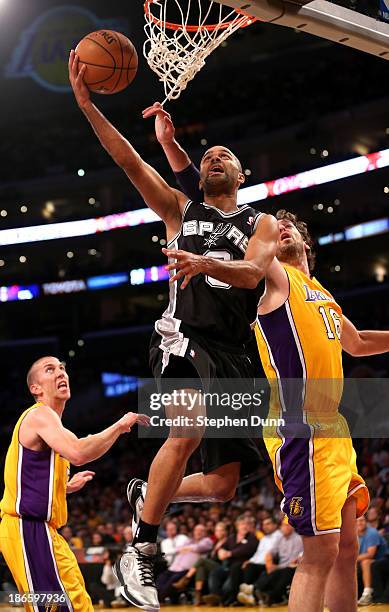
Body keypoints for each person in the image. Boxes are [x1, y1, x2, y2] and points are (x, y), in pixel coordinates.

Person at [149, 104, 389, 611]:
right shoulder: (273, 277)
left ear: (305, 242)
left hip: (335, 427)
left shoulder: (319, 290)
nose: (278, 228)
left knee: (346, 548)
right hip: (299, 425)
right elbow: (222, 227)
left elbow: (359, 342)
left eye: (287, 227)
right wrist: (176, 156)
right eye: (272, 227)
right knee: (319, 553)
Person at [69, 53, 279, 611]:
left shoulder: (262, 224)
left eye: (224, 155)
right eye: (206, 154)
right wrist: (89, 106)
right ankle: (141, 551)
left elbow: (254, 273)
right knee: (184, 435)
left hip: (235, 353)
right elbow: (131, 163)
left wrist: (204, 264)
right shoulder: (180, 210)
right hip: (183, 338)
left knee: (222, 486)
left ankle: (146, 493)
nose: (214, 158)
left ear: (240, 175)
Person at [0, 356, 148, 612]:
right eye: (50, 370)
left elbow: (79, 447)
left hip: (45, 531)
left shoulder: (55, 428)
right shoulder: (39, 415)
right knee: (55, 606)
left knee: (76, 603)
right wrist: (120, 425)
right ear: (36, 388)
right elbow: (79, 452)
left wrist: (64, 487)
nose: (60, 373)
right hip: (27, 528)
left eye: (62, 368)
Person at [156, 523, 213, 603]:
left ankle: (159, 599)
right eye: (196, 530)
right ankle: (156, 598)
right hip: (173, 567)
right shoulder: (189, 541)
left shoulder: (207, 541)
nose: (198, 532)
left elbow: (200, 547)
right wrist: (187, 548)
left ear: (205, 533)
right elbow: (178, 548)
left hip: (186, 569)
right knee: (160, 579)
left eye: (201, 531)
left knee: (172, 581)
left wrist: (188, 548)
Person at [237, 515, 282, 604]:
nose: (265, 526)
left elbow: (275, 554)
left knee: (251, 567)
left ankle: (250, 593)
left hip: (270, 563)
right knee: (248, 565)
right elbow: (258, 553)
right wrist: (250, 560)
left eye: (268, 524)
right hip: (259, 563)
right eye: (263, 524)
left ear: (275, 525)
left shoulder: (279, 536)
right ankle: (248, 594)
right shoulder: (264, 538)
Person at [357, 514, 388, 605]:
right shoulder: (354, 535)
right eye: (357, 521)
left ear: (366, 522)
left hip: (382, 559)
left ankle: (367, 594)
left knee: (365, 562)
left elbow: (371, 554)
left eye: (362, 520)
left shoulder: (372, 532)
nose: (359, 523)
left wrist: (352, 559)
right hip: (367, 560)